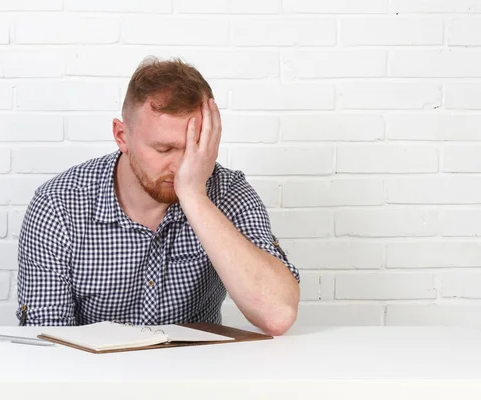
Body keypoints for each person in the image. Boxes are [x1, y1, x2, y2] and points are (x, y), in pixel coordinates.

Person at [16, 57, 300, 335]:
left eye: (194, 148)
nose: (181, 167)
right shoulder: (58, 205)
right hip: (95, 377)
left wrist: (194, 195)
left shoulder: (227, 192)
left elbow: (277, 316)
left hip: (195, 374)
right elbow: (46, 343)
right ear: (121, 136)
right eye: (164, 150)